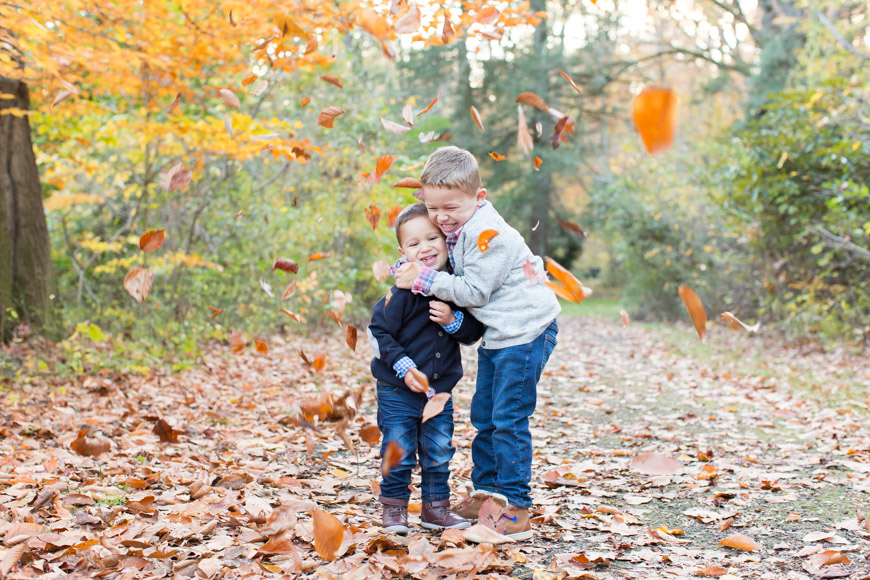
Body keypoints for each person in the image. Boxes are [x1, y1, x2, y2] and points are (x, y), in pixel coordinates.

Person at [395, 146, 560, 541]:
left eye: (450, 207)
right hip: (501, 336)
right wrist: (414, 263)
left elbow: (475, 291)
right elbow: (441, 261)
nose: (441, 217)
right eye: (433, 208)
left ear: (479, 198)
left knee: (508, 419)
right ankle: (489, 495)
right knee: (484, 417)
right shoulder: (458, 229)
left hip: (527, 332)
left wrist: (422, 279)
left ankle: (516, 508)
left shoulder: (490, 234)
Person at [368, 202, 485, 535]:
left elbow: (472, 333)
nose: (425, 248)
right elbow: (379, 332)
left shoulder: (452, 288)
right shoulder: (401, 294)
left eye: (432, 238)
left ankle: (435, 509)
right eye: (414, 243)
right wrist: (404, 367)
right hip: (398, 388)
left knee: (438, 450)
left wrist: (452, 320)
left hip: (439, 391)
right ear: (403, 251)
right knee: (398, 447)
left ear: (446, 241)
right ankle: (394, 510)